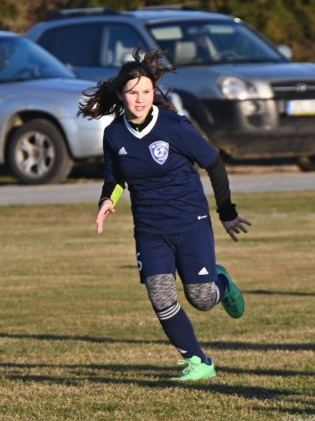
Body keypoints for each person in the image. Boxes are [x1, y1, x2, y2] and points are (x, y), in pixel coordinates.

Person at [79, 49, 251, 381]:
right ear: (121, 95)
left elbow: (213, 162)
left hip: (190, 223)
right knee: (160, 296)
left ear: (153, 92)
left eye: (145, 91)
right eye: (132, 93)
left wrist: (227, 212)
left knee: (201, 298)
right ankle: (199, 362)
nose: (140, 99)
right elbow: (116, 179)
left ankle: (222, 282)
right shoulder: (114, 134)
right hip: (149, 228)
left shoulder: (174, 126)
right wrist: (107, 201)